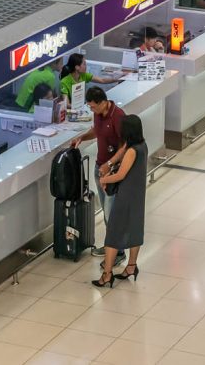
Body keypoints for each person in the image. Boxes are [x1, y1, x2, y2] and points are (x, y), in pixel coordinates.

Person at [72, 87, 127, 266]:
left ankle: (118, 251)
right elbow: (96, 131)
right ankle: (110, 245)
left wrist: (110, 166)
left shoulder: (118, 116)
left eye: (94, 107)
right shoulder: (98, 115)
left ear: (103, 102)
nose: (92, 110)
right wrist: (81, 138)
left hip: (113, 171)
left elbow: (124, 146)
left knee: (112, 213)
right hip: (99, 168)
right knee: (105, 210)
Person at [92, 114, 148, 288]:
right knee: (134, 228)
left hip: (125, 196)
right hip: (138, 194)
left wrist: (104, 180)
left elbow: (121, 175)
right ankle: (131, 266)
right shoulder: (142, 146)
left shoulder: (131, 151)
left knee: (113, 233)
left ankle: (107, 275)